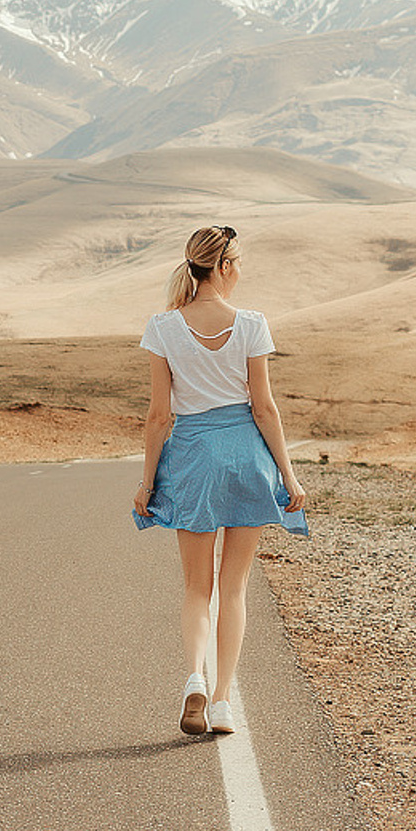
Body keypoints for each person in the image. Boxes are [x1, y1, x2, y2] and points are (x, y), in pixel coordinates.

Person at [132, 224, 308, 737]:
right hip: (248, 459)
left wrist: (147, 485)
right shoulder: (252, 323)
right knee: (233, 587)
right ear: (225, 266)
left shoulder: (162, 327)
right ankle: (225, 701)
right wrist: (289, 477)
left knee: (196, 587)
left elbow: (158, 416)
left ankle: (194, 676)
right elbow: (265, 408)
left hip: (193, 459)